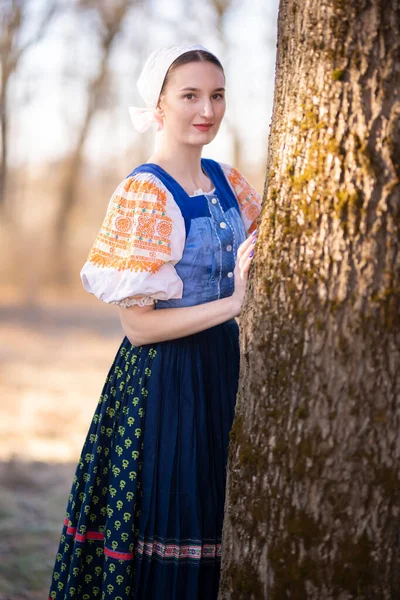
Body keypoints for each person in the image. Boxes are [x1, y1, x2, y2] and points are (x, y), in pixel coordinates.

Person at [48, 43, 261, 600]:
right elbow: (138, 328)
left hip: (225, 373)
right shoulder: (145, 194)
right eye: (190, 95)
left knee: (221, 515)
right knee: (176, 515)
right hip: (165, 382)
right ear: (159, 105)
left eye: (216, 95)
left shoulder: (230, 183)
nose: (206, 110)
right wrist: (235, 305)